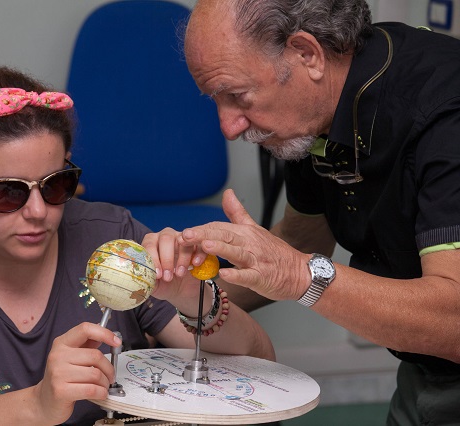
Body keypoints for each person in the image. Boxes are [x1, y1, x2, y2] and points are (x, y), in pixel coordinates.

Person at [0, 66, 274, 426]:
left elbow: (259, 362)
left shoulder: (112, 238)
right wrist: (36, 405)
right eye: (8, 192)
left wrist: (190, 296)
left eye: (55, 185)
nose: (39, 211)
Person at [144, 0, 460, 424]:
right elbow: (301, 240)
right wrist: (178, 301)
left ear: (307, 54)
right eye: (216, 99)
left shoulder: (445, 110)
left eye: (237, 95)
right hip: (425, 368)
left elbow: (454, 319)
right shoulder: (316, 111)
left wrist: (299, 275)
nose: (229, 127)